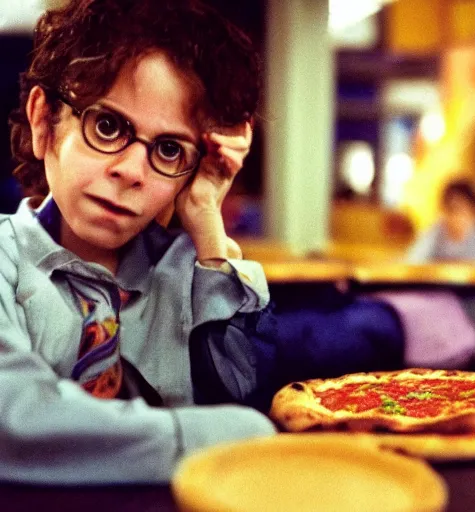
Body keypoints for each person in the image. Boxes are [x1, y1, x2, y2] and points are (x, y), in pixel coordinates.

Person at [1, 0, 278, 484]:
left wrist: (205, 217)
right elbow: (13, 418)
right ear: (44, 122)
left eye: (169, 150)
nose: (131, 171)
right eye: (107, 125)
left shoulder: (191, 272)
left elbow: (245, 392)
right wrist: (217, 438)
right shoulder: (6, 257)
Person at [404, 179, 475, 377]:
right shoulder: (435, 235)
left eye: (461, 209)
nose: (455, 217)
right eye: (449, 209)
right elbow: (412, 264)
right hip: (448, 307)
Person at [407, 180, 475, 263]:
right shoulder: (435, 232)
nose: (457, 217)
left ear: (473, 213)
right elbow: (414, 261)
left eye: (461, 210)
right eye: (451, 209)